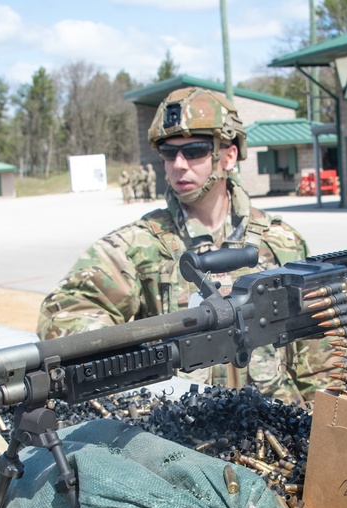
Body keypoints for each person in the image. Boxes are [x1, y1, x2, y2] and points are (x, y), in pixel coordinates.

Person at [38, 87, 330, 404]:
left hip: (276, 431)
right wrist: (131, 364)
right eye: (168, 152)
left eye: (194, 151)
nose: (178, 164)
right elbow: (66, 312)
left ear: (228, 156)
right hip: (181, 438)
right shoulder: (141, 244)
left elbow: (318, 356)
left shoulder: (281, 242)